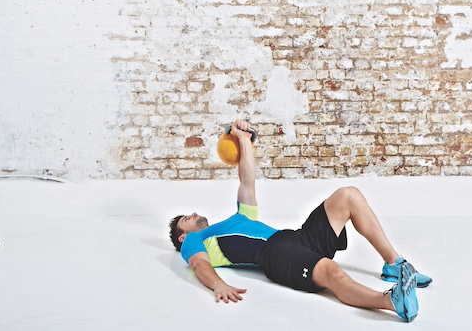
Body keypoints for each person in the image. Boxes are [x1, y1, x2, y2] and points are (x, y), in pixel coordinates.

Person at [168, 120, 432, 322]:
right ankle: (393, 302)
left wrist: (243, 138)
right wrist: (218, 285)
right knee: (331, 271)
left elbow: (246, 180)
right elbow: (198, 264)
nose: (191, 215)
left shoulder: (238, 218)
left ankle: (393, 264)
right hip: (276, 256)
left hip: (297, 238)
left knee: (348, 195)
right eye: (185, 220)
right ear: (182, 235)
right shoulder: (195, 240)